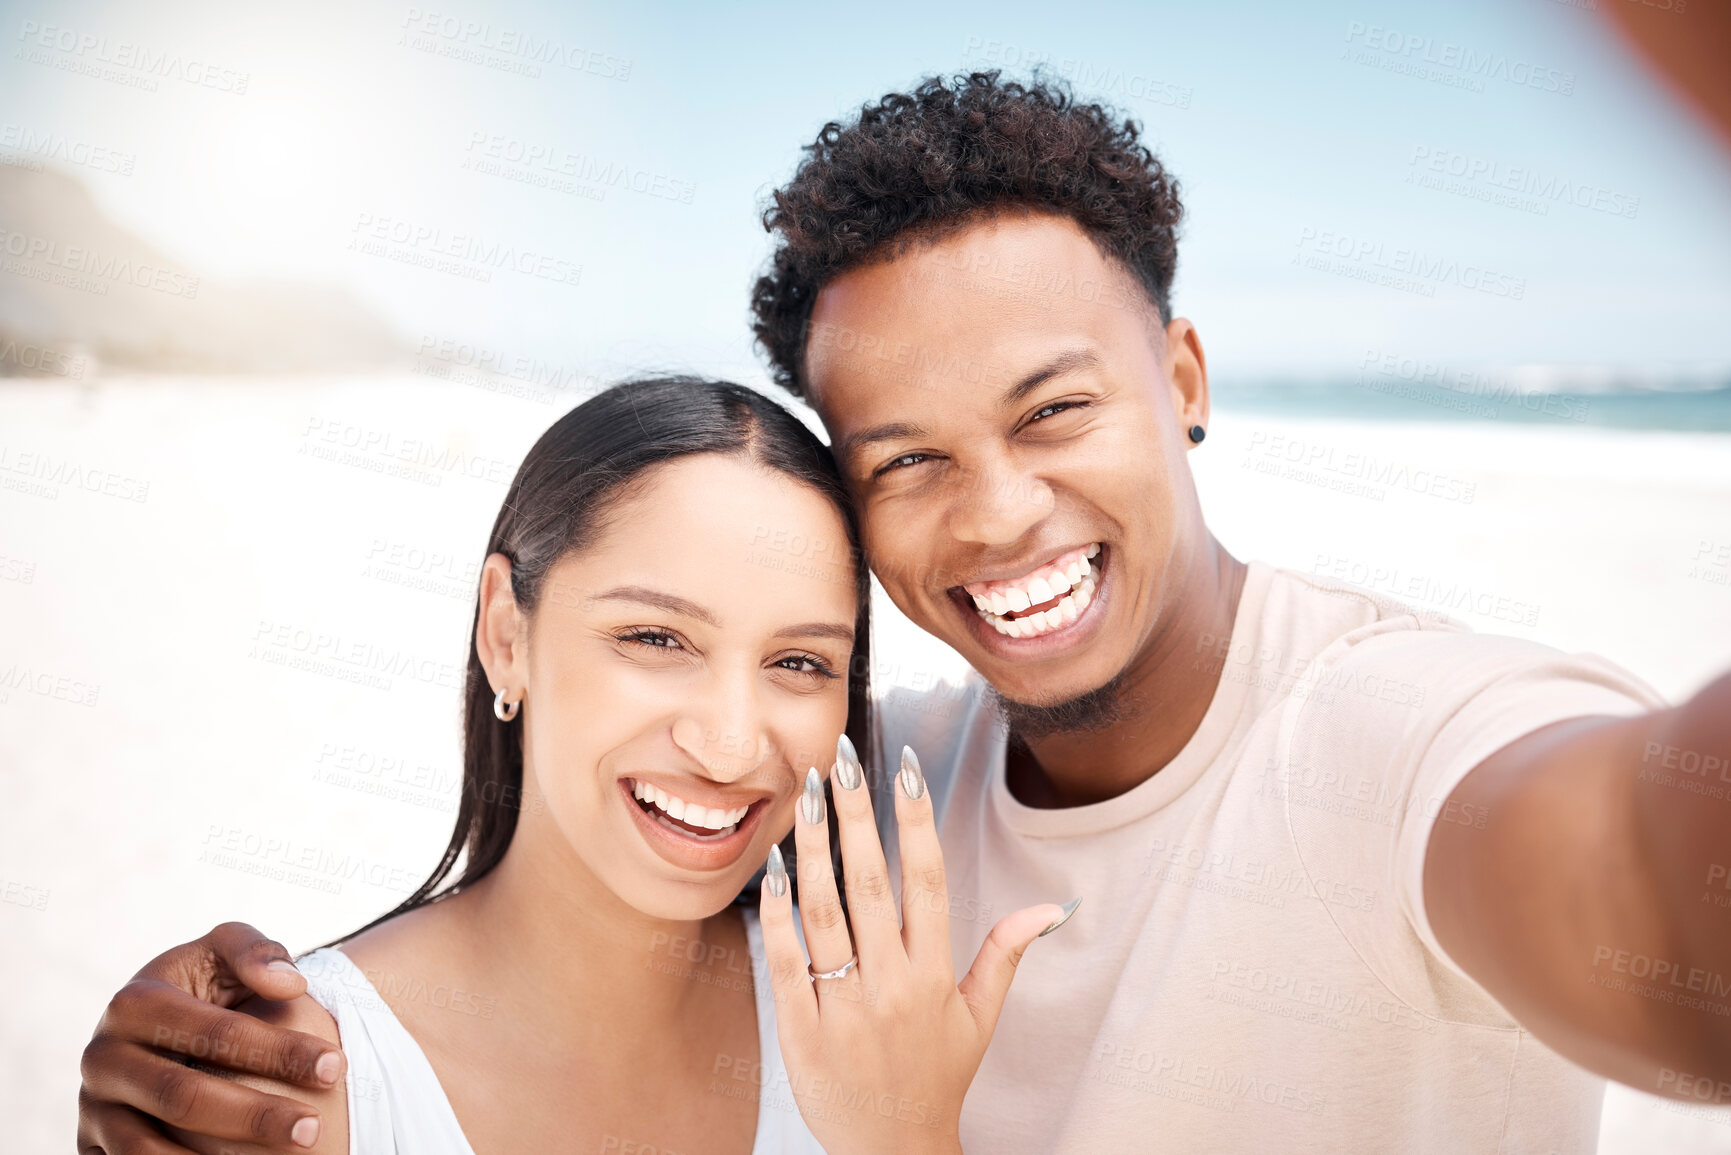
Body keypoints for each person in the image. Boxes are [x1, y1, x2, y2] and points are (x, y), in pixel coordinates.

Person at [81, 74, 1730, 1153]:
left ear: (1184, 379)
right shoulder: (860, 787)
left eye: (1055, 413)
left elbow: (1647, 890)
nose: (1000, 510)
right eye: (909, 457)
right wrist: (200, 1047)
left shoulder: (1394, 732)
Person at [75, 374, 1069, 1155]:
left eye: (799, 662)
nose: (729, 744)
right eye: (654, 638)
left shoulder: (880, 1037)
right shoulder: (300, 1084)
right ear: (507, 633)